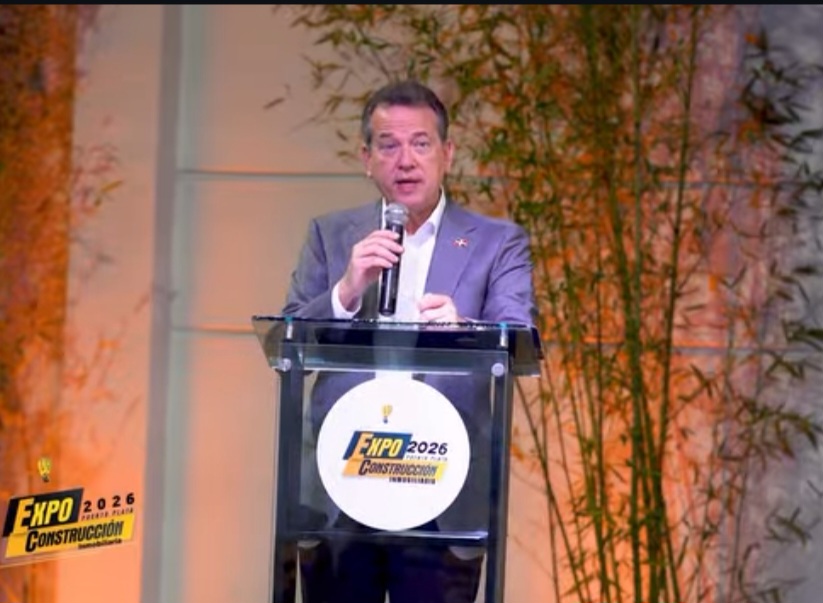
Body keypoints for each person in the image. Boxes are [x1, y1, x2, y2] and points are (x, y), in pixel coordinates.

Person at [280, 79, 536, 603]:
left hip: (440, 483)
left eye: (420, 144)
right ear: (366, 159)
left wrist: (464, 329)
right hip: (342, 478)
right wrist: (346, 291)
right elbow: (286, 337)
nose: (405, 161)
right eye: (389, 145)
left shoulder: (497, 242)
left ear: (448, 153)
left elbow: (519, 337)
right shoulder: (331, 235)